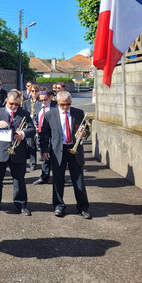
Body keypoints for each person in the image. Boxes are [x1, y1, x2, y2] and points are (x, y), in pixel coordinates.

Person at [40, 90, 91, 219]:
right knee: (58, 180)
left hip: (75, 150)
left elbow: (87, 129)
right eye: (62, 104)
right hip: (58, 151)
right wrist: (45, 150)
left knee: (78, 180)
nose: (65, 107)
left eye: (68, 104)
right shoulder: (50, 115)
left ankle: (83, 207)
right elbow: (44, 135)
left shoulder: (78, 113)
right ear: (57, 102)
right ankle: (58, 206)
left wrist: (85, 133)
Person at [0, 91, 35, 215]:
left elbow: (32, 129)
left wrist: (23, 134)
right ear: (6, 100)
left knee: (19, 180)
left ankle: (21, 204)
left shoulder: (24, 113)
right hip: (0, 151)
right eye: (12, 103)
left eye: (17, 104)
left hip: (18, 151)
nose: (14, 107)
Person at [33, 89, 57, 185]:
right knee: (44, 155)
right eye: (41, 100)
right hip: (41, 134)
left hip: (53, 134)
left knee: (55, 157)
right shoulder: (37, 105)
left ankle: (57, 177)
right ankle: (44, 177)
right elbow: (36, 117)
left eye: (45, 100)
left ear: (50, 97)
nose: (43, 102)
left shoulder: (55, 105)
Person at [23, 84, 40, 170]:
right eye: (32, 91)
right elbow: (24, 114)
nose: (34, 93)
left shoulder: (40, 102)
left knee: (40, 145)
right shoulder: (26, 102)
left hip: (39, 125)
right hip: (30, 125)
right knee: (31, 144)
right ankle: (32, 163)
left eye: (36, 91)